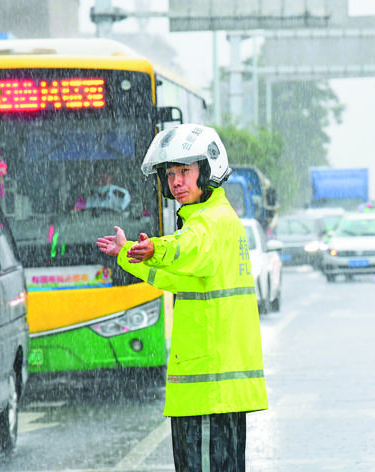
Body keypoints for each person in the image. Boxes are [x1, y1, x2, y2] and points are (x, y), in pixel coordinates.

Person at [96, 124, 268, 471]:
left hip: (209, 390)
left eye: (185, 172)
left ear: (207, 170)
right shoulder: (211, 219)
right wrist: (128, 251)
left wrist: (154, 247)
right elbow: (175, 277)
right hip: (211, 388)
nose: (176, 181)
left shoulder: (211, 222)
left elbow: (187, 248)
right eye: (170, 174)